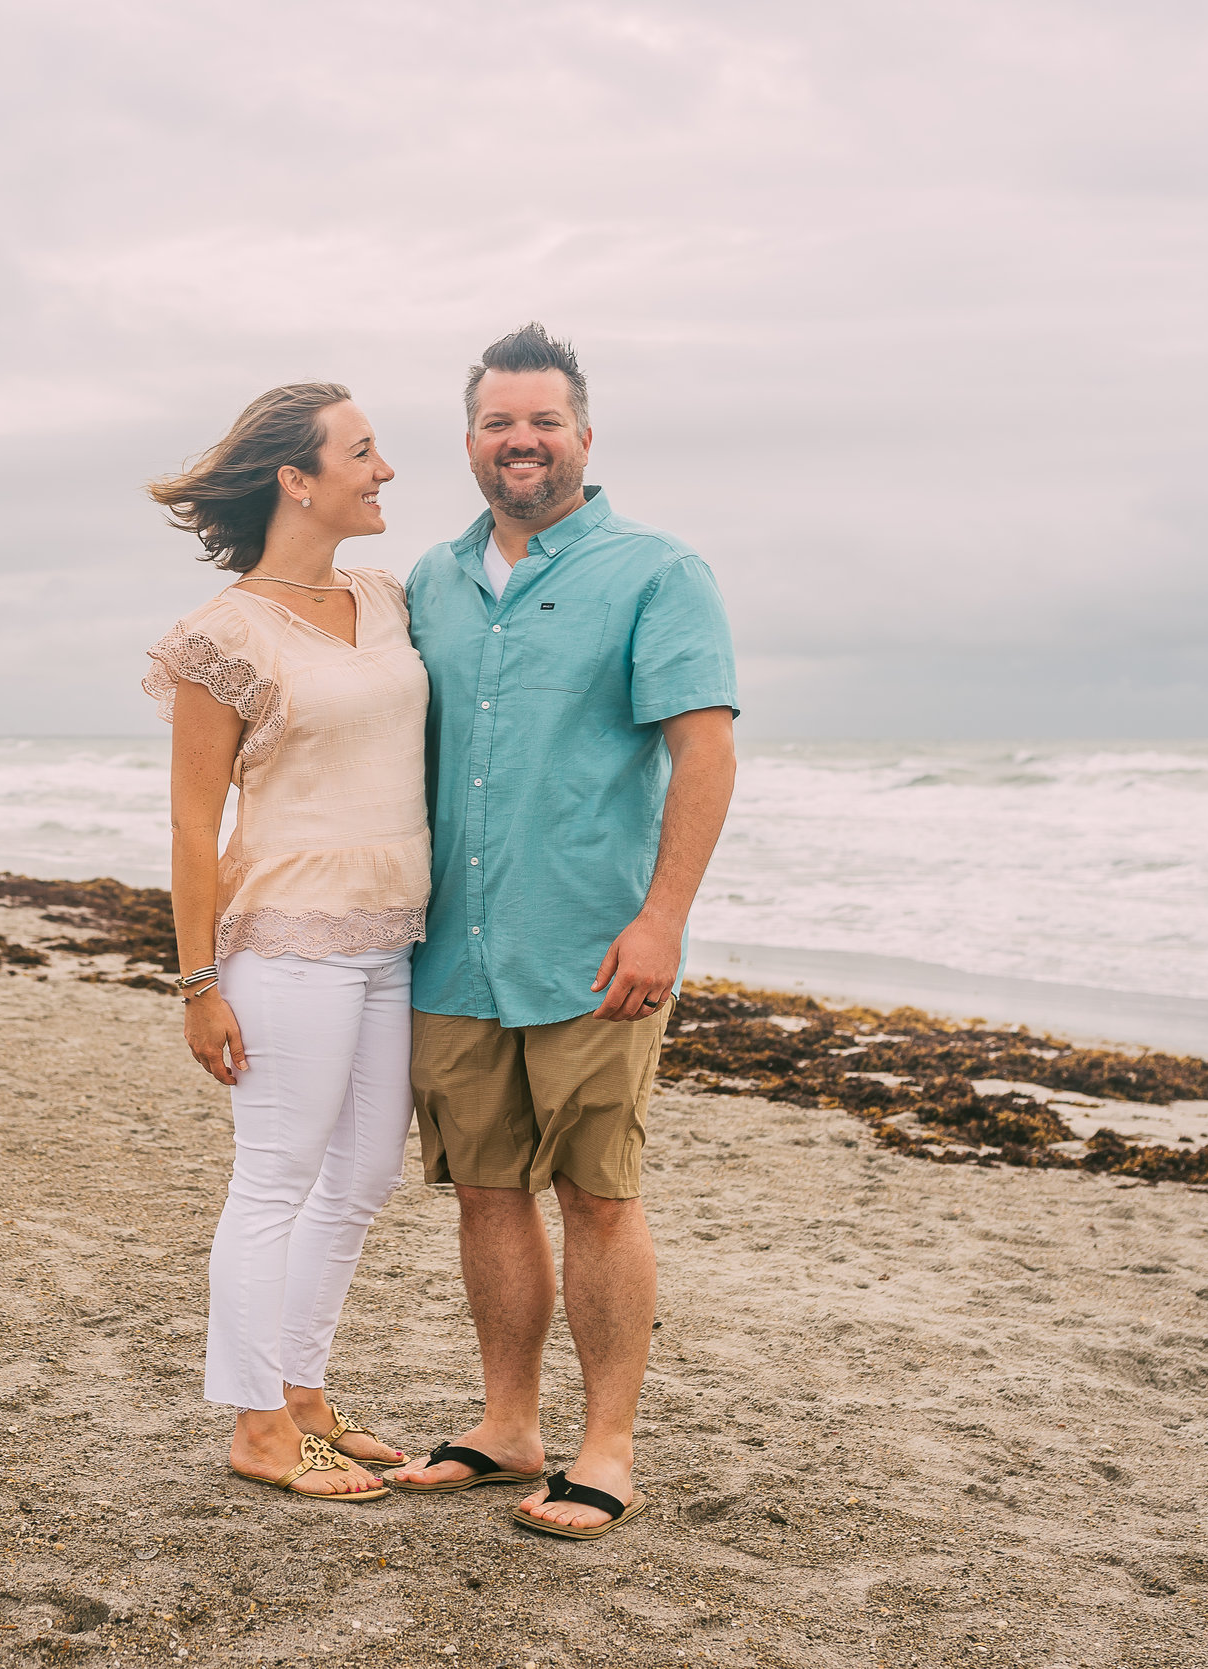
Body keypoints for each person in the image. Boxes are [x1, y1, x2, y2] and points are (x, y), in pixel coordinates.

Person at [385, 325, 739, 1539]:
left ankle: (606, 1446)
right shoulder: (428, 579)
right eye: (497, 422)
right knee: (485, 1191)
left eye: (541, 420)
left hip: (594, 946)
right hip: (451, 948)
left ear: (584, 435)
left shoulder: (657, 571)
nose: (519, 440)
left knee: (596, 1193)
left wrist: (662, 919)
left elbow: (704, 748)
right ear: (470, 441)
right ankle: (504, 1427)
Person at [142, 383, 430, 1502]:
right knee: (272, 1181)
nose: (385, 471)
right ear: (294, 479)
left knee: (359, 1177)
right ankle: (257, 1426)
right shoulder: (220, 636)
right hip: (287, 945)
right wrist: (197, 980)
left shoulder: (388, 598)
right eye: (362, 453)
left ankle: (303, 1393)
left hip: (390, 937)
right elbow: (188, 819)